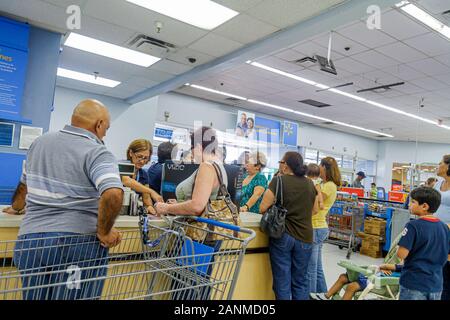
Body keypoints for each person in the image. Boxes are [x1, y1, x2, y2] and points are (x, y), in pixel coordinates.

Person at [11, 99, 124, 300]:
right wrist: (104, 232)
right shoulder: (97, 151)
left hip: (31, 242)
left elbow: (24, 187)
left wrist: (16, 207)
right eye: (106, 128)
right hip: (75, 244)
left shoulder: (40, 142)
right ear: (98, 124)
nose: (105, 133)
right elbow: (113, 193)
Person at [259, 152, 319, 300]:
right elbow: (316, 209)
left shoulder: (278, 181)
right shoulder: (310, 183)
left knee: (282, 281)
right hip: (305, 237)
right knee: (300, 281)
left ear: (285, 164)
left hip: (283, 236)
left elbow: (262, 207)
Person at [155, 126, 227, 216]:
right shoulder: (219, 165)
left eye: (191, 148)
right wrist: (179, 205)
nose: (191, 153)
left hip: (199, 227)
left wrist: (165, 208)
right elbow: (205, 202)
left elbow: (196, 207)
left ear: (198, 147)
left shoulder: (207, 167)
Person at [397, 186, 449, 300]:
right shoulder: (444, 227)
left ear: (424, 206)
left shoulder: (413, 226)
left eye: (413, 202)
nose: (409, 204)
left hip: (414, 283)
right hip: (436, 284)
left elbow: (401, 254)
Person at [308, 157, 341, 294]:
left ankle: (311, 296)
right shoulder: (324, 183)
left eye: (320, 166)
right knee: (317, 268)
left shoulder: (329, 186)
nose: (318, 169)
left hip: (316, 227)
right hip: (318, 227)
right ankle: (323, 295)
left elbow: (313, 198)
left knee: (311, 269)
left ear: (324, 168)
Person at [310, 263, 397, 300]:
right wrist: (382, 268)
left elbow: (395, 267)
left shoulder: (406, 268)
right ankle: (326, 296)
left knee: (351, 286)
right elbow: (393, 266)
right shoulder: (403, 264)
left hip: (381, 282)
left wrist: (384, 267)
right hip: (374, 277)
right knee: (343, 277)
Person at [122, 139, 163, 215]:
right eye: (139, 156)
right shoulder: (122, 166)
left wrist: (150, 207)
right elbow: (127, 181)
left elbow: (146, 198)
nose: (142, 161)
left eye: (145, 158)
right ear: (131, 153)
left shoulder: (144, 174)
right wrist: (151, 191)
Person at [434, 155, 450, 300]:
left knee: (446, 269)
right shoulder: (437, 184)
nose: (437, 165)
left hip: (448, 233)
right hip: (435, 232)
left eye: (440, 163)